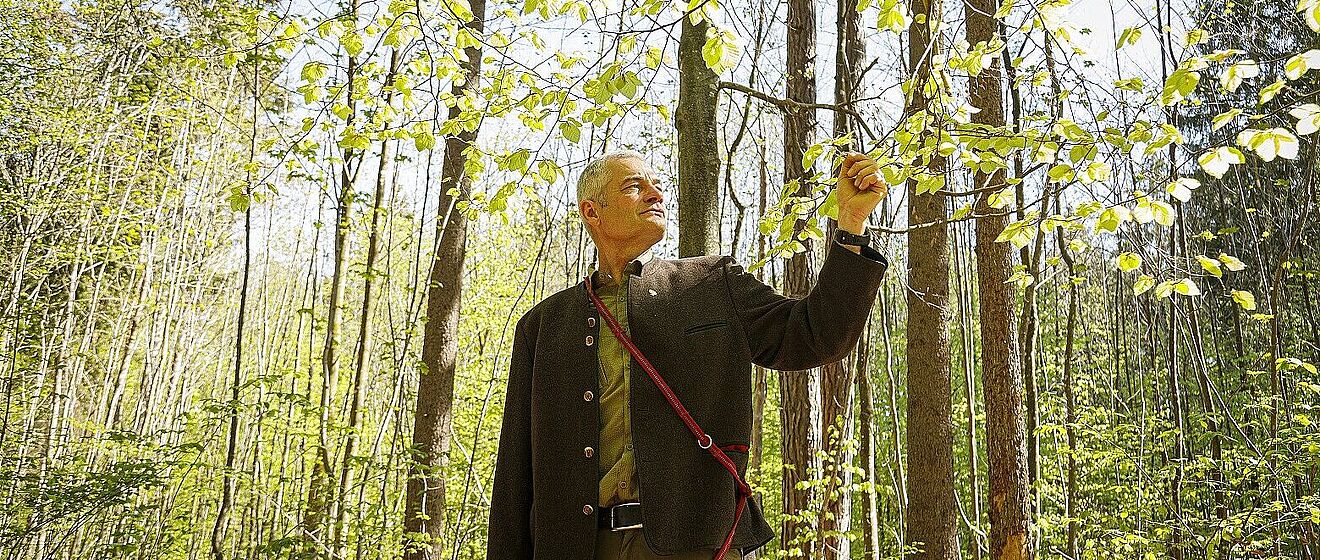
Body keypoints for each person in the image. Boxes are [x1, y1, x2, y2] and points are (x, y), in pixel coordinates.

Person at [486, 149, 890, 559]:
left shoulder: (712, 284)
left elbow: (815, 333)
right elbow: (514, 480)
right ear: (593, 212)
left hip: (696, 543)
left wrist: (851, 226)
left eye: (656, 184)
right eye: (634, 186)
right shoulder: (543, 326)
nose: (655, 194)